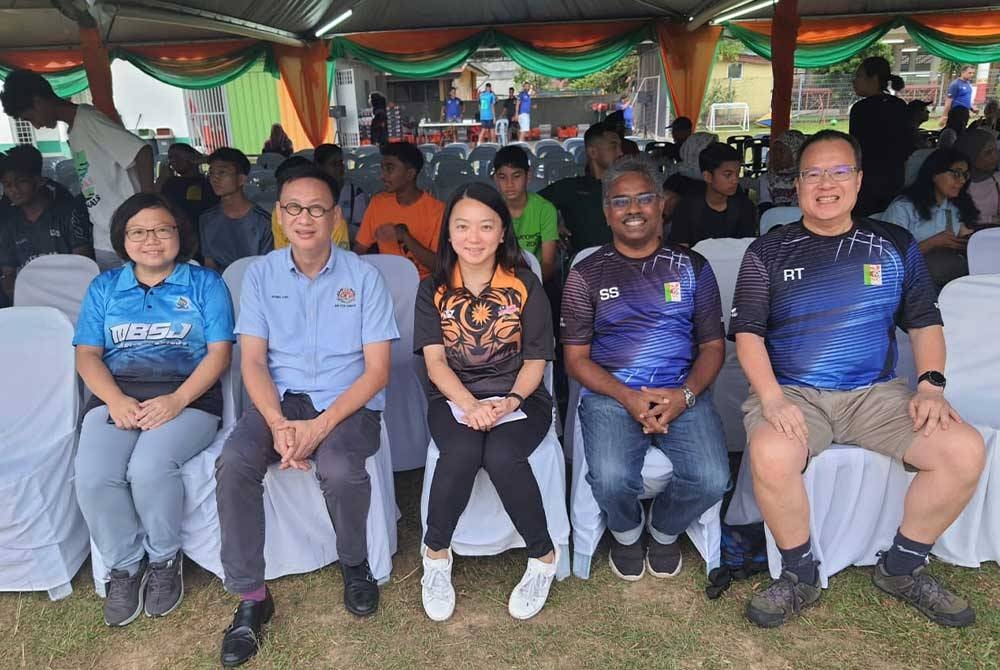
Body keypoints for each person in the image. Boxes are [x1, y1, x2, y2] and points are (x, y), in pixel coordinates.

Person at [730, 130, 984, 629]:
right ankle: (799, 574)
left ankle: (903, 566)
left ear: (859, 179)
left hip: (877, 395)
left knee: (965, 450)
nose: (826, 183)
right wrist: (771, 399)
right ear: (797, 184)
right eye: (813, 173)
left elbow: (924, 322)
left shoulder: (894, 244)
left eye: (839, 171)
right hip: (795, 393)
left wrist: (931, 384)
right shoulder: (769, 250)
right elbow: (748, 335)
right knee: (770, 451)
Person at [215, 164, 398, 667]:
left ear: (336, 216)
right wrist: (276, 423)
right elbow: (251, 360)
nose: (305, 218)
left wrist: (319, 427)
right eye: (294, 207)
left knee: (339, 468)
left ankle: (355, 564)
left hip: (347, 400)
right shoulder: (262, 274)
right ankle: (252, 597)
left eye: (317, 208)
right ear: (279, 214)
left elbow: (378, 371)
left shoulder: (364, 277)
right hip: (282, 400)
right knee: (234, 462)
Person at [561, 154, 730, 582]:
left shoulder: (693, 268)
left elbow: (712, 346)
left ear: (660, 205)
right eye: (621, 201)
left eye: (643, 199)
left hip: (681, 392)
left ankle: (665, 529)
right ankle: (626, 531)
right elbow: (575, 358)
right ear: (607, 212)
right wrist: (627, 397)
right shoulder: (585, 274)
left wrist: (684, 396)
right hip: (612, 394)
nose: (633, 209)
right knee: (613, 478)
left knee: (712, 477)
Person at [73, 192, 234, 627]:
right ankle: (126, 566)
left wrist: (177, 400)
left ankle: (164, 560)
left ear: (179, 234)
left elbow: (219, 354)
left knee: (149, 467)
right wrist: (116, 400)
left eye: (163, 229)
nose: (152, 240)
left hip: (190, 399)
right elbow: (87, 354)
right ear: (122, 240)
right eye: (138, 232)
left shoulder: (205, 285)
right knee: (92, 475)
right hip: (117, 397)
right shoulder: (104, 288)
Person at [414, 182, 559, 622]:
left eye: (485, 226)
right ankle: (436, 557)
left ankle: (543, 557)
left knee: (501, 453)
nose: (473, 238)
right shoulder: (433, 288)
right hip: (454, 397)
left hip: (522, 396)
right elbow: (435, 363)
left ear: (502, 233)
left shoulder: (524, 284)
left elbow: (536, 360)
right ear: (449, 233)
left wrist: (510, 400)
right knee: (459, 451)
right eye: (462, 226)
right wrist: (471, 405)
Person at [0, 69, 154, 270]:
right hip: (105, 238)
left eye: (30, 118)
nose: (36, 126)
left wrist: (150, 207)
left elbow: (142, 152)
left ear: (38, 102)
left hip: (132, 232)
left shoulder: (89, 120)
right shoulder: (74, 131)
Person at [0, 145, 93, 299]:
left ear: (39, 181)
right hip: (32, 303)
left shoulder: (67, 215)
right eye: (8, 185)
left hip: (72, 297)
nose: (14, 190)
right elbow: (8, 275)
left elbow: (84, 264)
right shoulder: (9, 227)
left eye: (21, 181)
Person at [883, 148, 978, 288]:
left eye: (965, 175)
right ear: (934, 174)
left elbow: (965, 238)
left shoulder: (955, 206)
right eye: (956, 173)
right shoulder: (903, 208)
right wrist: (933, 243)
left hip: (949, 282)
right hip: (909, 285)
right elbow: (887, 259)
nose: (962, 180)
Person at [354, 142, 444, 279]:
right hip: (385, 283)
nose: (382, 176)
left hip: (423, 286)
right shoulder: (378, 203)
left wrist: (405, 237)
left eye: (389, 169)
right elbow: (360, 250)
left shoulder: (437, 211)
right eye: (382, 169)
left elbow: (439, 266)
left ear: (410, 174)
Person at [539, 122, 623, 255]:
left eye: (620, 147)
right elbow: (528, 204)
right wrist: (550, 228)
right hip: (583, 267)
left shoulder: (627, 188)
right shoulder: (571, 188)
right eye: (614, 146)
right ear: (593, 152)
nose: (620, 152)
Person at [850, 57, 910, 216]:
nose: (854, 81)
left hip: (867, 183)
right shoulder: (899, 105)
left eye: (859, 76)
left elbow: (855, 148)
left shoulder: (860, 109)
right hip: (895, 179)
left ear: (874, 78)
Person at [199, 147, 273, 272]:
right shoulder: (207, 219)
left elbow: (268, 267)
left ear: (241, 179)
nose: (214, 178)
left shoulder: (263, 221)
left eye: (222, 172)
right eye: (211, 173)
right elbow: (209, 264)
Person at [668, 142, 756, 245]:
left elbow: (747, 248)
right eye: (728, 175)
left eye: (737, 174)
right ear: (707, 177)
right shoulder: (686, 208)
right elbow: (682, 251)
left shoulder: (745, 207)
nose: (735, 180)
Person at [492, 146, 558, 281]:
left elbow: (548, 264)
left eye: (516, 176)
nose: (509, 184)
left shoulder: (544, 209)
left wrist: (529, 288)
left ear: (528, 177)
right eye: (503, 177)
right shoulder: (490, 211)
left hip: (536, 280)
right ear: (495, 180)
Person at [270, 156, 349, 251]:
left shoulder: (333, 217)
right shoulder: (279, 213)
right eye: (294, 206)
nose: (304, 220)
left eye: (316, 208)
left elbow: (339, 259)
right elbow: (281, 255)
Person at [155, 143, 217, 240]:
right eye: (171, 157)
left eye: (179, 156)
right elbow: (151, 200)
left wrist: (202, 160)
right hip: (179, 235)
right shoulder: (170, 184)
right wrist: (162, 179)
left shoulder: (210, 182)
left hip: (206, 233)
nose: (175, 160)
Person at [314, 143, 368, 236]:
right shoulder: (310, 193)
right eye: (334, 164)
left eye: (341, 163)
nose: (340, 167)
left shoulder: (354, 192)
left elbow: (361, 230)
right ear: (320, 167)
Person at [955, 127, 1000, 226]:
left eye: (996, 150)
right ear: (970, 155)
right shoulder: (955, 184)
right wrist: (991, 220)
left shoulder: (998, 179)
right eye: (988, 153)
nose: (995, 156)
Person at [759, 130, 806, 210]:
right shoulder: (766, 180)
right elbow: (765, 208)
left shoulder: (806, 179)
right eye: (774, 151)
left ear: (795, 153)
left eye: (781, 151)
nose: (776, 155)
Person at [940, 65, 978, 133]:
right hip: (956, 113)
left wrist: (971, 108)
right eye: (969, 73)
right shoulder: (955, 84)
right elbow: (948, 101)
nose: (971, 75)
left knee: (962, 131)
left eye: (973, 73)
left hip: (965, 112)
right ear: (962, 72)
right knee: (954, 131)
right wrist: (944, 116)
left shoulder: (968, 84)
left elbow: (965, 98)